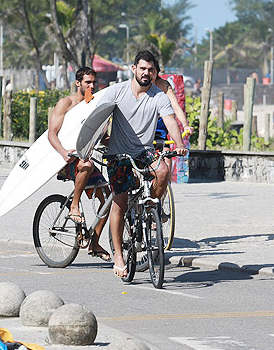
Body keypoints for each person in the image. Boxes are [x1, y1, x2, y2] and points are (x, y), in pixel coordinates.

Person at [101, 50, 187, 277]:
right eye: (142, 69)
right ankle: (118, 256)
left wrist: (178, 143)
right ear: (134, 69)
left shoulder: (159, 96)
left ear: (156, 72)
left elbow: (170, 121)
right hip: (118, 154)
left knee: (163, 170)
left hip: (144, 152)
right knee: (119, 202)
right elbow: (98, 117)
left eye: (151, 70)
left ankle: (150, 208)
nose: (146, 73)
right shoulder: (117, 91)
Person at [47, 66, 111, 262]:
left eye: (94, 82)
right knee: (86, 164)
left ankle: (95, 241)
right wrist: (63, 153)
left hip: (86, 157)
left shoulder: (94, 104)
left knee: (109, 199)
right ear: (78, 83)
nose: (92, 86)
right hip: (67, 159)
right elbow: (51, 134)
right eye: (87, 82)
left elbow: (101, 135)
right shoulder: (65, 103)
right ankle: (74, 205)